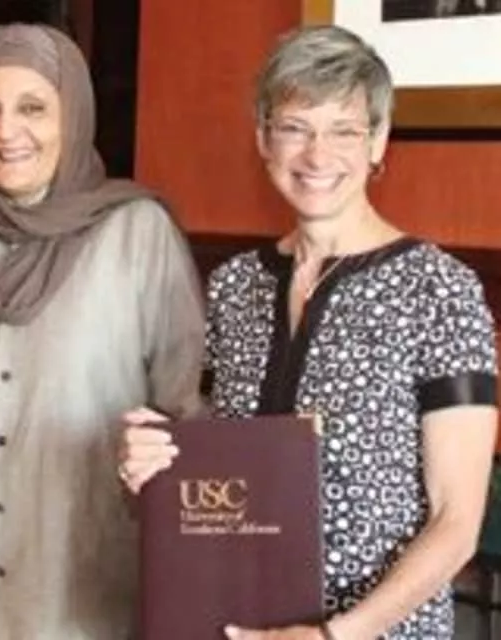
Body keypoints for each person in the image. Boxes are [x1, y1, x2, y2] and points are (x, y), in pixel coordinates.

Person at [119, 25, 498, 639]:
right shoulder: (234, 286)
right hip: (236, 624)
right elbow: (213, 469)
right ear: (263, 140)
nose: (317, 156)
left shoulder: (439, 290)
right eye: (295, 128)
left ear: (378, 141)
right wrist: (152, 465)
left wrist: (334, 635)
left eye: (344, 130)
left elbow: (457, 523)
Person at [0, 23, 205, 639]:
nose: (6, 131)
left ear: (75, 116)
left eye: (32, 108)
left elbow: (182, 413)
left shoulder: (136, 233)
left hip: (83, 587)